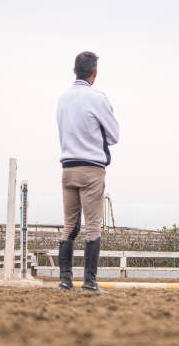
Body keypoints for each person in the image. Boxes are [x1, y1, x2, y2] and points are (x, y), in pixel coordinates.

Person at [56, 51, 119, 292]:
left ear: (74, 70)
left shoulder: (62, 99)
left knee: (69, 224)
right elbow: (114, 135)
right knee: (93, 225)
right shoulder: (98, 98)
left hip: (68, 167)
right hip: (92, 168)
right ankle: (90, 281)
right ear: (95, 73)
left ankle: (65, 280)